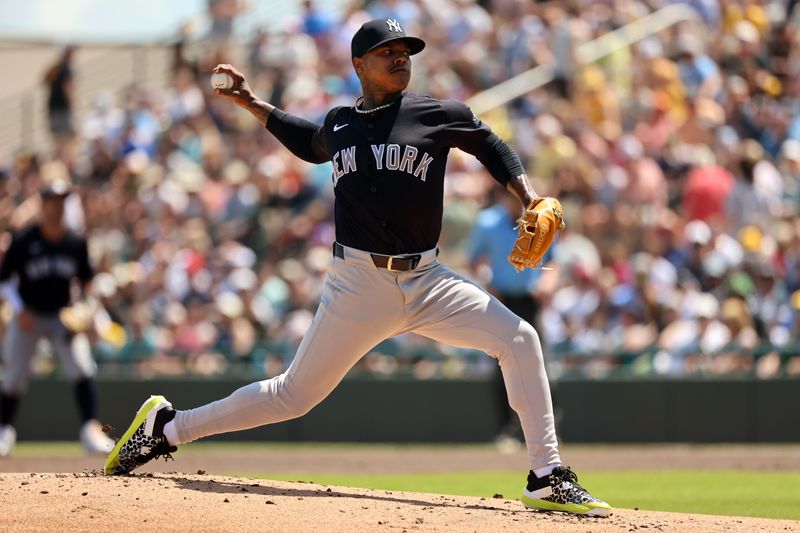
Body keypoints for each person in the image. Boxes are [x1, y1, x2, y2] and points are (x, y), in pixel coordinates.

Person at [105, 18, 611, 517]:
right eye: (388, 51)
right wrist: (252, 103)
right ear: (358, 64)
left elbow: (490, 145)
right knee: (293, 396)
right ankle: (167, 428)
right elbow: (310, 143)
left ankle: (546, 475)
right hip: (358, 284)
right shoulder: (342, 124)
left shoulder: (434, 113)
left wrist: (528, 195)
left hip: (429, 279)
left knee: (520, 339)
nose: (400, 58)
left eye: (406, 51)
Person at [0, 179, 115, 456]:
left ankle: (91, 431)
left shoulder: (75, 242)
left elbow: (87, 284)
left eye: (62, 202)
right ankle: (3, 431)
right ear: (43, 205)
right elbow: (4, 281)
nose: (58, 207)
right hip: (29, 314)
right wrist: (19, 309)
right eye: (53, 202)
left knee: (82, 368)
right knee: (13, 376)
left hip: (62, 317)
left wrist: (86, 309)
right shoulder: (25, 239)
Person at [467, 191, 555, 451]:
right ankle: (506, 430)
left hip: (531, 300)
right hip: (502, 298)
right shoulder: (488, 221)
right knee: (501, 366)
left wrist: (548, 283)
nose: (518, 202)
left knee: (540, 363)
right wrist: (487, 281)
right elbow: (475, 260)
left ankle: (549, 433)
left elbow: (553, 262)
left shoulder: (540, 219)